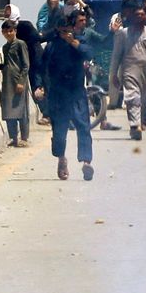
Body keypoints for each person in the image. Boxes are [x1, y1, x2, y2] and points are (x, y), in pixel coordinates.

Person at [33, 11, 94, 181]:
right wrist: (40, 86)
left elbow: (88, 53)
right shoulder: (52, 46)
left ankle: (86, 162)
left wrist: (73, 43)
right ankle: (61, 158)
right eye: (62, 30)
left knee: (83, 126)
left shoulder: (78, 41)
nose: (64, 33)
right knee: (59, 131)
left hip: (76, 92)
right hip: (58, 94)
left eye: (67, 29)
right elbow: (41, 67)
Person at [109, 1, 146, 141]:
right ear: (131, 17)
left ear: (145, 17)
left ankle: (143, 121)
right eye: (136, 15)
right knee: (133, 98)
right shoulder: (123, 33)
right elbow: (116, 55)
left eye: (142, 14)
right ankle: (134, 126)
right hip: (129, 69)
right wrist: (113, 74)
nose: (139, 17)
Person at [0, 19, 30, 147]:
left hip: (18, 82)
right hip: (8, 83)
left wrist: (21, 81)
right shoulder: (5, 47)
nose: (8, 33)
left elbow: (25, 65)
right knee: (9, 111)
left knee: (21, 110)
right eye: (5, 31)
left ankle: (24, 137)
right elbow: (6, 65)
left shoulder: (20, 44)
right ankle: (13, 137)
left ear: (15, 31)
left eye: (10, 31)